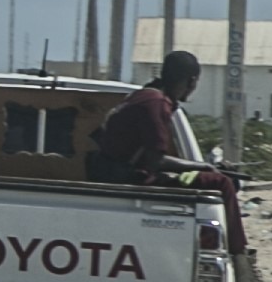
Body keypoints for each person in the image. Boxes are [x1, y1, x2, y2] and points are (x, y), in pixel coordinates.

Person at [88, 48, 251, 263]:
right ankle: (241, 259)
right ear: (191, 81)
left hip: (114, 174)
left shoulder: (142, 96)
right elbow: (156, 160)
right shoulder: (157, 103)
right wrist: (203, 167)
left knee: (211, 177)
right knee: (222, 183)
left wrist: (201, 166)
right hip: (131, 180)